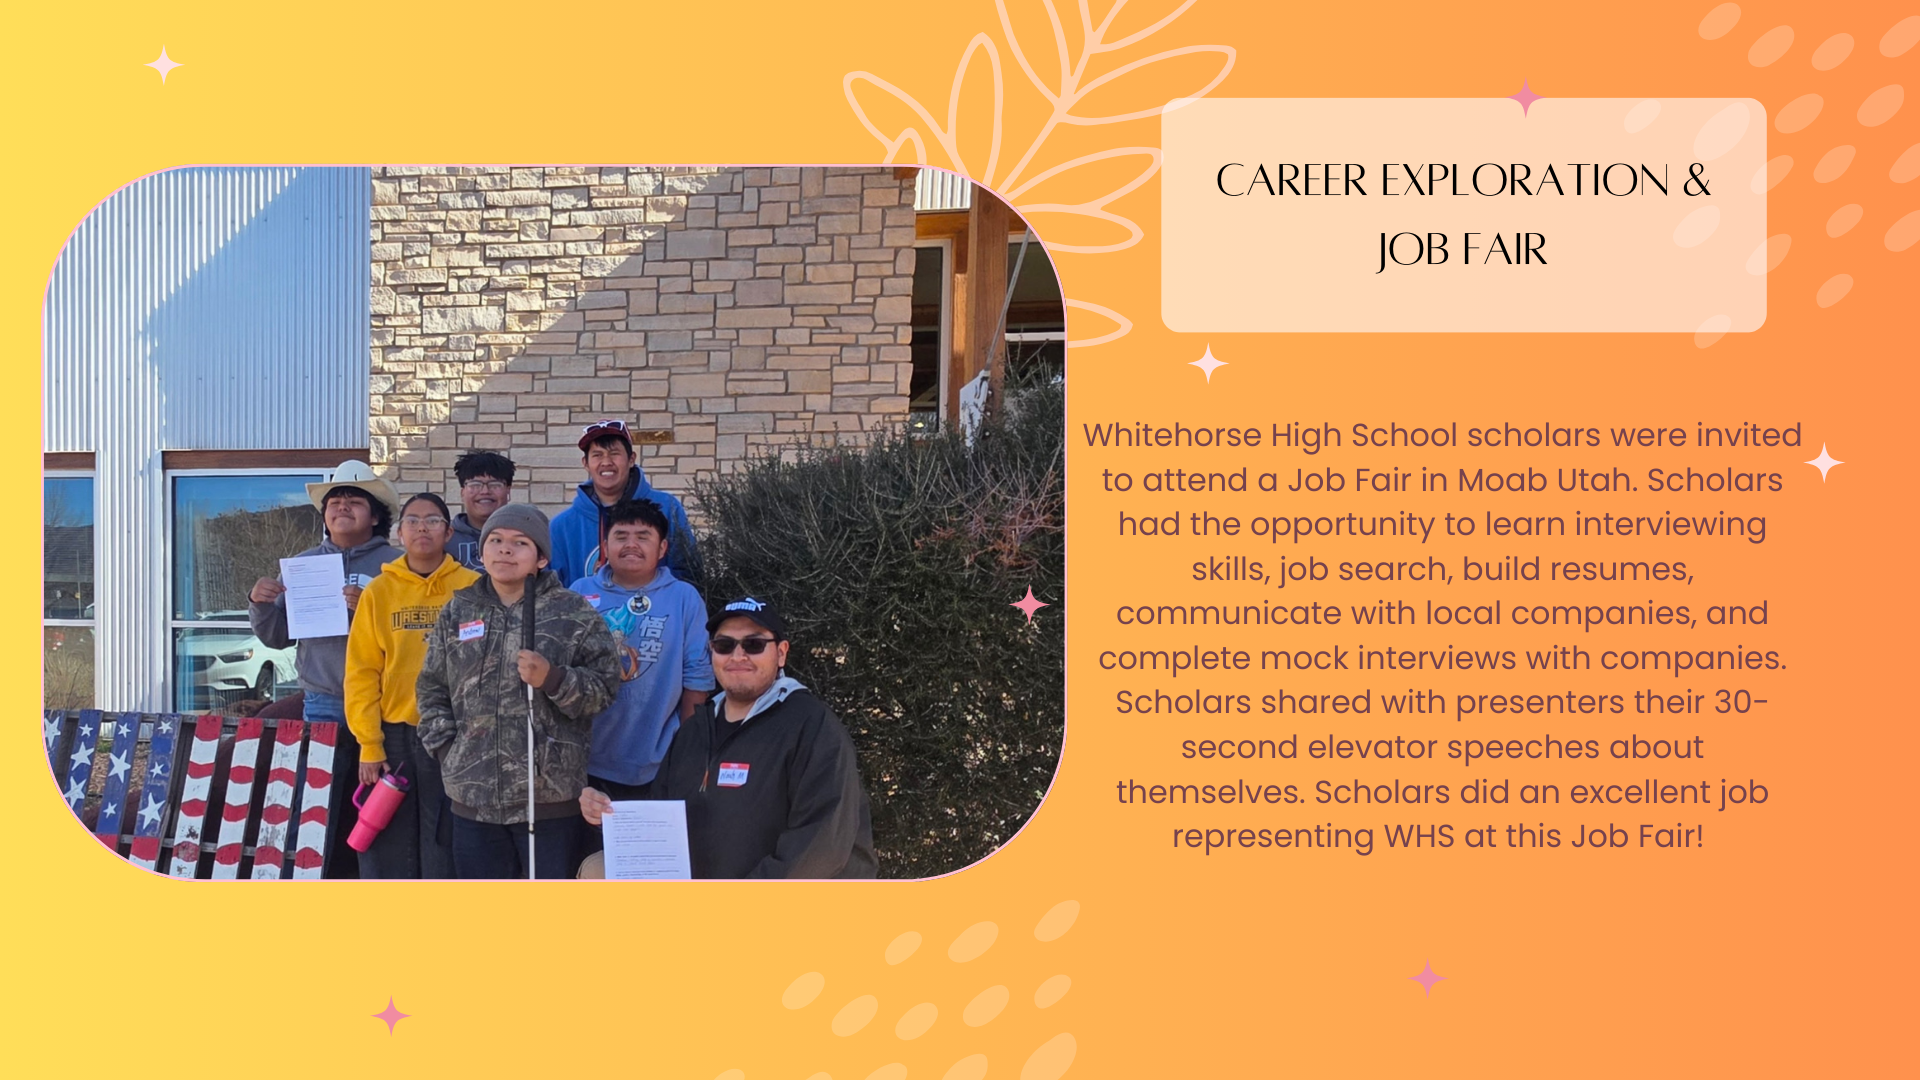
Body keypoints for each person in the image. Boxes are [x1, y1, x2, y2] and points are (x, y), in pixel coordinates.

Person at [580, 596, 876, 879]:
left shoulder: (812, 726)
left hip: (786, 914)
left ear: (782, 652)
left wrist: (741, 904)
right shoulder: (696, 729)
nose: (738, 656)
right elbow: (661, 826)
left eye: (754, 644)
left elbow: (822, 846)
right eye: (724, 645)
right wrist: (610, 814)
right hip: (705, 909)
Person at [416, 503, 620, 879]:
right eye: (495, 540)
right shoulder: (458, 610)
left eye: (519, 542)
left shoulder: (573, 613)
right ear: (482, 551)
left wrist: (554, 679)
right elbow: (431, 688)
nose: (505, 549)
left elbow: (605, 690)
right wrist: (450, 752)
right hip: (473, 799)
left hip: (549, 803)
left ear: (541, 558)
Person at [248, 459, 400, 878]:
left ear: (375, 514)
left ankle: (373, 883)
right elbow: (277, 635)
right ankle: (319, 883)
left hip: (385, 706)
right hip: (323, 702)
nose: (342, 507)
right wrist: (259, 604)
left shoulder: (396, 566)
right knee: (317, 805)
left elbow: (411, 638)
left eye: (354, 500)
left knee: (380, 805)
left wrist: (370, 610)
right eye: (335, 501)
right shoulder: (303, 564)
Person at [343, 493, 479, 878]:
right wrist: (370, 744)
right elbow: (362, 671)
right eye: (413, 521)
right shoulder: (379, 592)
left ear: (449, 532)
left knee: (445, 836)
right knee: (388, 836)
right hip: (396, 734)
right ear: (399, 533)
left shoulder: (473, 588)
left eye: (433, 520)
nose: (423, 528)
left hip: (454, 735)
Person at [570, 499, 713, 809]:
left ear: (662, 548)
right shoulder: (579, 592)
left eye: (643, 536)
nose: (631, 544)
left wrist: (688, 753)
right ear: (605, 545)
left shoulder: (684, 598)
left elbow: (697, 680)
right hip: (586, 765)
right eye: (621, 536)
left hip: (659, 764)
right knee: (589, 857)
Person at [549, 419, 698, 586]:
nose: (606, 462)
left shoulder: (667, 508)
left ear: (631, 459)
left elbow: (688, 572)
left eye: (614, 453)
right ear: (585, 463)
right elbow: (553, 590)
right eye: (597, 455)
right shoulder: (561, 527)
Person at [447, 450, 515, 571]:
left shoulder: (526, 536)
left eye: (494, 484)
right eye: (475, 484)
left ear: (508, 490)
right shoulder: (445, 540)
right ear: (462, 492)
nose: (485, 491)